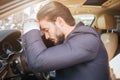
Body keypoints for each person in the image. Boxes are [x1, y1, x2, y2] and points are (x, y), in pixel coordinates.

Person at [21, 1, 110, 80]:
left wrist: (30, 27)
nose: (47, 36)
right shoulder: (65, 39)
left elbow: (38, 61)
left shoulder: (87, 39)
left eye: (47, 30)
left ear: (60, 22)